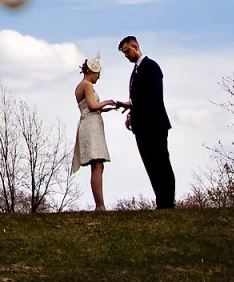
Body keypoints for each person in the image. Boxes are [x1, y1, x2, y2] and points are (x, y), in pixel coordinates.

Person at [117, 35, 175, 209]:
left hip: (155, 124)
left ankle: (168, 201)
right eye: (124, 53)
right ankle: (161, 201)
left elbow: (154, 95)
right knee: (150, 163)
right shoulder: (135, 71)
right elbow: (137, 97)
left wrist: (131, 104)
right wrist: (131, 115)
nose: (126, 55)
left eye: (127, 51)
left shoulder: (151, 66)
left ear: (135, 46)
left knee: (161, 161)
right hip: (141, 126)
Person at [71, 57, 125, 210]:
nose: (99, 77)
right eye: (97, 73)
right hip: (91, 125)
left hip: (90, 122)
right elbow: (92, 105)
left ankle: (99, 204)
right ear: (90, 72)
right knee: (97, 164)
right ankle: (100, 205)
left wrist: (106, 108)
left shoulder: (80, 86)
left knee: (98, 165)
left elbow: (89, 107)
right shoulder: (87, 85)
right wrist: (107, 101)